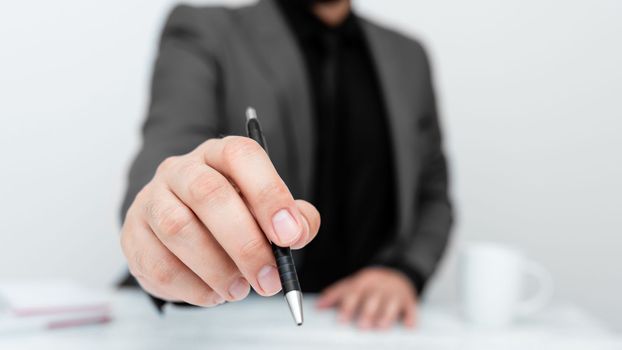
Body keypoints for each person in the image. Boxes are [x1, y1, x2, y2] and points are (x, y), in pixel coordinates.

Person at [119, 0, 452, 330]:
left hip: (357, 327)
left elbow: (433, 193)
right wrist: (162, 214)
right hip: (224, 321)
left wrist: (405, 272)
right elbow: (162, 166)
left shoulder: (409, 56)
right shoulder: (205, 32)